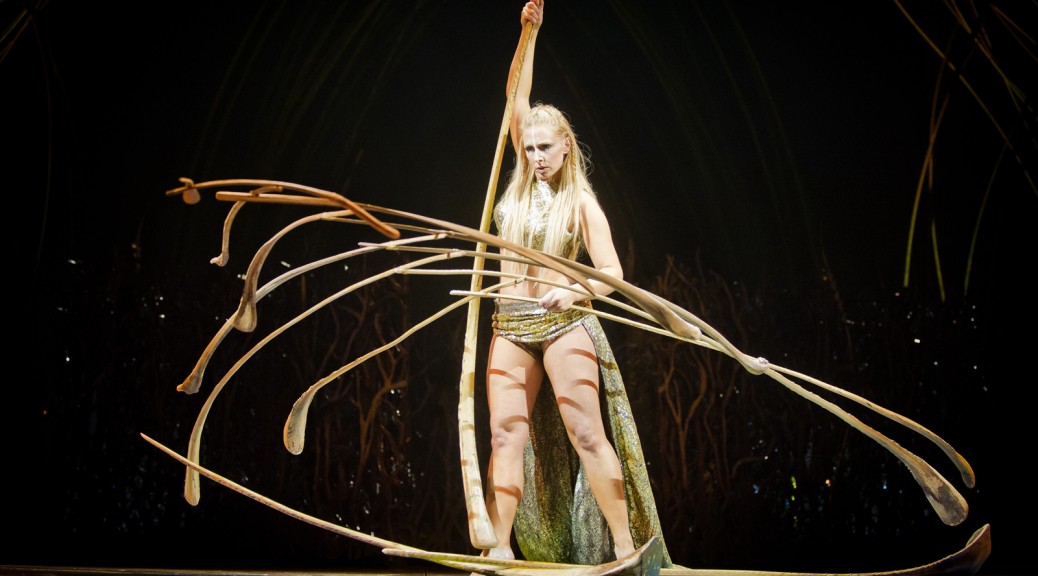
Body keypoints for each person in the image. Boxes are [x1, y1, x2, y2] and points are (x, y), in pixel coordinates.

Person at [478, 0, 672, 566]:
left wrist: (577, 290)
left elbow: (612, 273)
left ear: (566, 146)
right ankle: (499, 546)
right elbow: (515, 97)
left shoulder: (581, 201)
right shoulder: (518, 183)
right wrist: (529, 34)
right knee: (505, 436)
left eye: (546, 147)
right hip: (511, 324)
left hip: (563, 322)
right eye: (530, 147)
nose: (537, 156)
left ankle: (623, 544)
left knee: (587, 433)